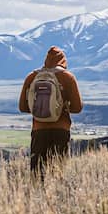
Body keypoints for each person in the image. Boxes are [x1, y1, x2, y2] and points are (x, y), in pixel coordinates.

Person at [18, 46, 83, 175]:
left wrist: (40, 109)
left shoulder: (32, 76)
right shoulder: (68, 77)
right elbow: (77, 107)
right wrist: (62, 107)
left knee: (37, 172)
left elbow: (22, 107)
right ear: (63, 61)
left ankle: (37, 193)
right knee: (58, 171)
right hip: (61, 130)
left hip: (39, 130)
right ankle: (55, 194)